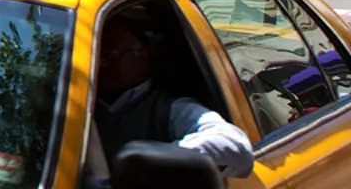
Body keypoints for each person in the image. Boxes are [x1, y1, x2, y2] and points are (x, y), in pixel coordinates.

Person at [91, 17, 253, 181]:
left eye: (109, 54)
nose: (100, 64)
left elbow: (234, 145)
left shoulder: (169, 108)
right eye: (95, 55)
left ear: (143, 57)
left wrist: (158, 161)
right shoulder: (78, 103)